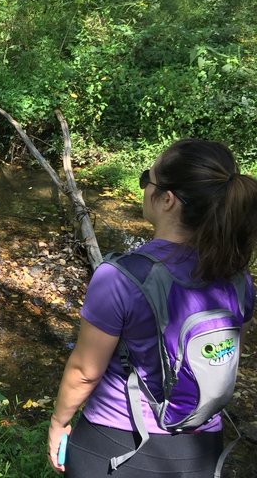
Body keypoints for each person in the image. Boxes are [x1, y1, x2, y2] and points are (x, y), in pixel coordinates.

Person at [47, 138, 257, 477]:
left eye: (148, 178)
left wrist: (59, 422)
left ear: (168, 200)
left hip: (118, 446)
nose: (144, 187)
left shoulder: (120, 277)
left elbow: (85, 372)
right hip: (202, 450)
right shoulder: (238, 278)